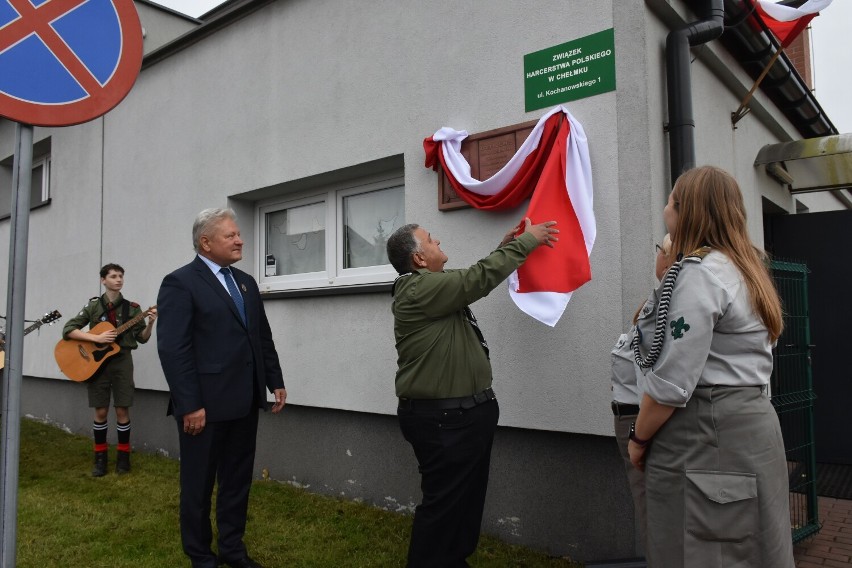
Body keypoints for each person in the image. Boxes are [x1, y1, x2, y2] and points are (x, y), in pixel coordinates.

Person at [628, 166, 793, 567]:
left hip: (706, 433)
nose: (664, 208)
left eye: (670, 200)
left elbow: (670, 382)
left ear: (687, 212)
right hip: (752, 427)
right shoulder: (747, 268)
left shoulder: (700, 274)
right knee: (752, 546)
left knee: (702, 549)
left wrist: (639, 438)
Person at [387, 217, 558, 568]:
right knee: (444, 505)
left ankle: (452, 560)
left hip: (462, 416)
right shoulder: (417, 289)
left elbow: (467, 281)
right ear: (419, 259)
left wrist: (501, 250)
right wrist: (526, 242)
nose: (438, 243)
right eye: (431, 241)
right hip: (445, 421)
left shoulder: (431, 289)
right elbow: (475, 280)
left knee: (464, 502)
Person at [156, 208, 286, 568]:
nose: (240, 239)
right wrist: (190, 405)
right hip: (205, 408)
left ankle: (233, 549)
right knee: (198, 485)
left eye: (238, 234)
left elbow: (260, 335)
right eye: (231, 235)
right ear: (206, 242)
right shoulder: (180, 283)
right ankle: (200, 555)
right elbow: (173, 349)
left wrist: (274, 380)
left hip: (244, 401)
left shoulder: (245, 281)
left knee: (237, 481)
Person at [610, 233, 672, 554]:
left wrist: (639, 438)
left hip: (641, 419)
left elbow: (660, 373)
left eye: (660, 248)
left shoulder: (670, 299)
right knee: (648, 506)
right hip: (632, 416)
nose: (657, 254)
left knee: (653, 511)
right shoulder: (658, 297)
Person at [62, 263, 156, 477]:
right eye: (113, 276)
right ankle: (100, 458)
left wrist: (150, 323)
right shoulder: (93, 307)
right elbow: (68, 330)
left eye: (121, 275)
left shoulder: (132, 308)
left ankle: (123, 458)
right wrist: (95, 337)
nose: (119, 279)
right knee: (101, 411)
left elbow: (142, 339)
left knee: (122, 409)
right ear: (103, 280)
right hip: (97, 364)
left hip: (122, 361)